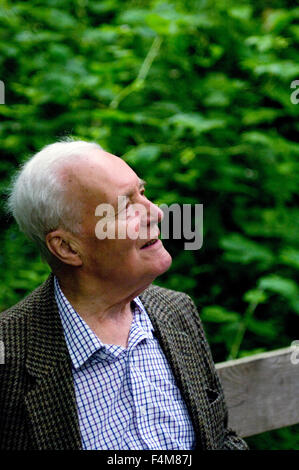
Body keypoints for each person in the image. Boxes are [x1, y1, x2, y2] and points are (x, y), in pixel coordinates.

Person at [0, 139, 248, 450]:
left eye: (142, 193)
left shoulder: (177, 311)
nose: (156, 213)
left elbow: (220, 441)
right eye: (125, 206)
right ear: (67, 247)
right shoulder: (9, 356)